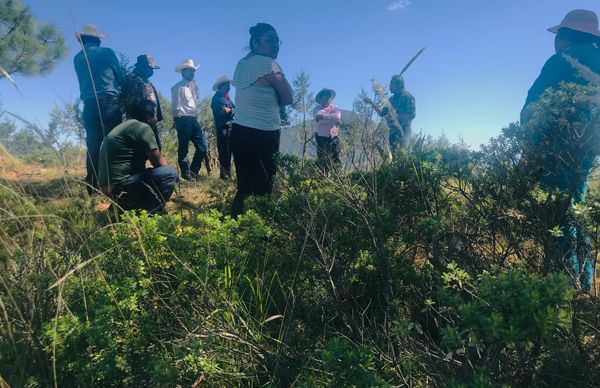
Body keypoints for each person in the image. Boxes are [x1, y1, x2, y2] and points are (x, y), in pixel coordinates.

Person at [521, 9, 600, 291]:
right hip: (589, 152)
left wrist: (527, 149)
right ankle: (586, 284)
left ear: (567, 36)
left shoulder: (561, 61)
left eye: (559, 36)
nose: (555, 43)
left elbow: (531, 109)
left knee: (559, 217)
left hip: (557, 151)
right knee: (577, 212)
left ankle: (563, 287)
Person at [230, 23, 293, 217]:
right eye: (270, 40)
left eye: (277, 41)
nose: (276, 45)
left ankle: (234, 229)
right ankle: (260, 238)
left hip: (239, 130)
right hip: (264, 133)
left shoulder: (241, 64)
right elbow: (288, 97)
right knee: (263, 186)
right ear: (256, 43)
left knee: (244, 186)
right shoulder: (268, 64)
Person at [98, 92, 178, 215]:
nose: (157, 119)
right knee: (169, 174)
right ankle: (150, 216)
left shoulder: (125, 126)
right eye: (155, 115)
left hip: (110, 189)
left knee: (153, 173)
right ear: (149, 115)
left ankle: (121, 209)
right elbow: (160, 164)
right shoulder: (142, 127)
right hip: (121, 187)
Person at [73, 24, 125, 194]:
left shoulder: (77, 58)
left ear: (83, 41)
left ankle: (93, 187)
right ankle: (116, 185)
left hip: (89, 105)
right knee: (115, 143)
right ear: (96, 39)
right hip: (109, 102)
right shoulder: (108, 53)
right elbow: (122, 77)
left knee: (93, 145)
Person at [171, 59, 207, 181]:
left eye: (193, 70)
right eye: (190, 70)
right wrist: (176, 121)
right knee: (184, 147)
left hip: (193, 119)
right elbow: (175, 107)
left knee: (202, 147)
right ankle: (186, 174)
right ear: (183, 71)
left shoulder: (193, 86)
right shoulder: (177, 87)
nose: (193, 73)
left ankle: (193, 172)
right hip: (183, 119)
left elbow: (194, 105)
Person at [120, 54, 163, 150]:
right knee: (140, 152)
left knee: (157, 150)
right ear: (142, 67)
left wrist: (156, 118)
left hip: (151, 124)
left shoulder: (148, 82)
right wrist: (144, 120)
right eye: (150, 68)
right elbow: (130, 103)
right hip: (139, 125)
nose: (152, 71)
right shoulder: (132, 79)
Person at [365, 75, 416, 150]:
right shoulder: (391, 99)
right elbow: (382, 114)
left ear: (399, 84)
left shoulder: (408, 97)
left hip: (403, 131)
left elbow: (411, 115)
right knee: (394, 155)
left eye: (391, 84)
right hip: (392, 131)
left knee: (402, 153)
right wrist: (371, 103)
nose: (390, 87)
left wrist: (395, 116)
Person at [211, 76, 235, 179]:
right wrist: (229, 110)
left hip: (231, 128)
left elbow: (233, 110)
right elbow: (223, 111)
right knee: (224, 152)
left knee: (231, 151)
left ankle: (228, 175)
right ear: (220, 87)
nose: (228, 87)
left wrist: (230, 110)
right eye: (226, 85)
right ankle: (224, 175)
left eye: (228, 85)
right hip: (223, 129)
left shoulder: (228, 98)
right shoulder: (216, 98)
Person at [313, 87, 341, 167]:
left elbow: (337, 117)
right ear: (321, 98)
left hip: (334, 137)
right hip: (321, 138)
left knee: (335, 158)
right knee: (322, 159)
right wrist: (331, 118)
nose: (328, 97)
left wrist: (324, 116)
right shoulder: (316, 109)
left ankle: (338, 176)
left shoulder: (336, 108)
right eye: (326, 95)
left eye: (329, 96)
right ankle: (323, 176)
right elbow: (318, 118)